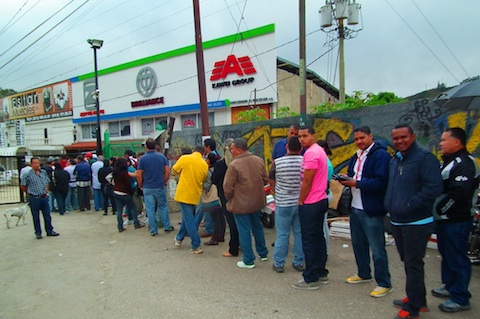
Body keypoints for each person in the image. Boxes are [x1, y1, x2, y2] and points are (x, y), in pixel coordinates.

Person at [385, 124, 443, 319]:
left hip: (416, 222)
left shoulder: (424, 159)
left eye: (404, 137)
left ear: (413, 136)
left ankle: (412, 310)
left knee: (413, 263)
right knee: (409, 263)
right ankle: (418, 299)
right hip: (399, 221)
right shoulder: (396, 160)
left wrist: (409, 205)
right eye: (396, 138)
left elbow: (433, 189)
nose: (400, 141)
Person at [339, 126, 393, 298]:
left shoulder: (381, 155)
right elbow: (352, 174)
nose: (359, 142)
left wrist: (357, 183)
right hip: (355, 208)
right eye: (356, 139)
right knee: (358, 244)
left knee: (377, 248)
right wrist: (345, 179)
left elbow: (381, 182)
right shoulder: (357, 155)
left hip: (371, 209)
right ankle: (363, 273)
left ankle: (384, 283)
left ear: (371, 136)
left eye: (362, 138)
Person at [431, 127, 479, 313]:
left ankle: (460, 297)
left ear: (456, 142)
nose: (440, 143)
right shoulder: (449, 162)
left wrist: (442, 209)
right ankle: (450, 286)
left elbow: (459, 193)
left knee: (457, 256)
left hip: (456, 220)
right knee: (447, 254)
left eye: (444, 140)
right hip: (444, 219)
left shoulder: (465, 163)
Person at [291, 126, 329, 290]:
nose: (301, 139)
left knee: (308, 240)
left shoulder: (311, 153)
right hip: (320, 199)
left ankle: (311, 277)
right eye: (300, 137)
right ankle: (320, 271)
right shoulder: (318, 150)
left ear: (314, 135)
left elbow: (307, 181)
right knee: (318, 237)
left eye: (305, 136)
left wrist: (301, 200)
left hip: (311, 201)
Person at [224, 138, 269, 269]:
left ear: (239, 149)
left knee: (244, 230)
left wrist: (229, 198)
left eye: (232, 149)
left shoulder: (234, 165)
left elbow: (227, 187)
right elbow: (265, 178)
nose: (231, 151)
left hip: (240, 203)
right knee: (257, 227)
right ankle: (263, 253)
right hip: (257, 201)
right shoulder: (258, 160)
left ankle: (248, 259)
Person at [269, 135, 304, 273]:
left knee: (282, 234)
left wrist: (278, 189)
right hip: (300, 202)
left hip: (283, 203)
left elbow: (271, 180)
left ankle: (279, 263)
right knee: (299, 233)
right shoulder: (305, 161)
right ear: (301, 148)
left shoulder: (277, 162)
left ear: (286, 147)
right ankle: (299, 261)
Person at [172, 145, 209, 254]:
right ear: (203, 153)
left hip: (183, 194)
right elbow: (204, 178)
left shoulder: (185, 158)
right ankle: (179, 238)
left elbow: (174, 171)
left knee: (189, 220)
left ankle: (196, 245)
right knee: (187, 218)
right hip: (195, 195)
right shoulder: (204, 164)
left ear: (194, 151)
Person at [137, 138, 173, 236]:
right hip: (159, 185)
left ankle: (153, 230)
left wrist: (140, 185)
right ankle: (167, 226)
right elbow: (167, 171)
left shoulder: (143, 159)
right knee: (163, 206)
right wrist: (164, 181)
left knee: (150, 208)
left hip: (147, 187)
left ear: (146, 147)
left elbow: (139, 174)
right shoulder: (161, 157)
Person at [212, 138, 240, 257]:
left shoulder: (220, 164)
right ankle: (241, 244)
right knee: (240, 222)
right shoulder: (239, 162)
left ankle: (233, 249)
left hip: (224, 196)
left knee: (232, 222)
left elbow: (214, 179)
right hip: (239, 194)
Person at [20, 157, 60, 239]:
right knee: (36, 216)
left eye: (38, 163)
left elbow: (47, 183)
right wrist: (29, 193)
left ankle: (49, 230)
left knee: (47, 215)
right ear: (31, 164)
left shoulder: (43, 172)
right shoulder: (27, 174)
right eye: (35, 163)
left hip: (44, 197)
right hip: (34, 198)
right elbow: (23, 185)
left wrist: (46, 192)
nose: (37, 165)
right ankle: (38, 232)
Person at [112, 157, 144, 232]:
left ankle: (120, 226)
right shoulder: (124, 173)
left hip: (116, 192)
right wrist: (130, 192)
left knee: (119, 210)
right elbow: (127, 183)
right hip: (125, 193)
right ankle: (136, 223)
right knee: (132, 208)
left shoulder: (115, 171)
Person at [202, 152, 224, 246]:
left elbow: (207, 185)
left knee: (214, 218)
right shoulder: (219, 168)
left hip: (212, 197)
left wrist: (201, 185)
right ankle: (221, 235)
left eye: (207, 159)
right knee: (221, 217)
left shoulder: (207, 171)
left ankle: (215, 238)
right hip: (220, 195)